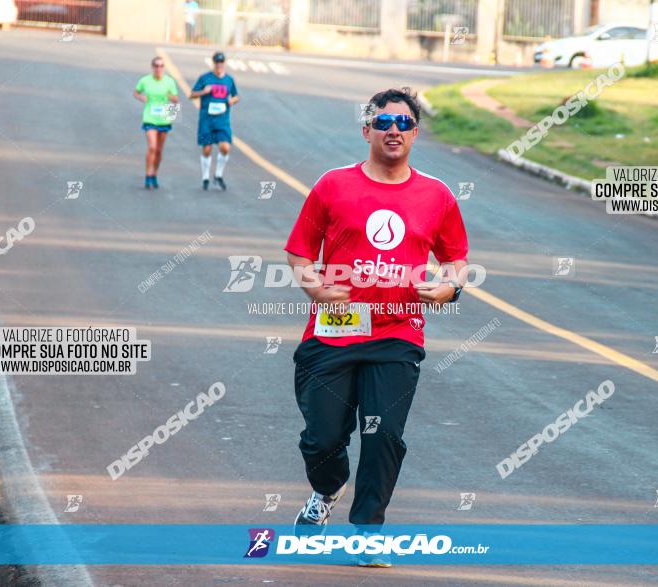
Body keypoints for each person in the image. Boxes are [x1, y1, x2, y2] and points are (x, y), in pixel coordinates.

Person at [284, 88, 469, 567]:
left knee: (383, 433)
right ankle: (326, 492)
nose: (394, 131)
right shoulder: (333, 185)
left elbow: (456, 260)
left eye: (404, 124)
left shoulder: (437, 195)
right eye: (383, 122)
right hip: (336, 327)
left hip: (397, 332)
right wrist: (317, 289)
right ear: (366, 130)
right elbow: (299, 251)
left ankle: (367, 533)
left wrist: (450, 289)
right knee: (322, 439)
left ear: (415, 134)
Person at [189, 51, 239, 191]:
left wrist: (232, 100)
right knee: (207, 148)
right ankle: (205, 177)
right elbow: (192, 94)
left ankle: (218, 175)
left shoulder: (229, 80)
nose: (219, 65)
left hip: (222, 121)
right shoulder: (205, 78)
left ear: (224, 64)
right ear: (213, 63)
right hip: (206, 120)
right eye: (217, 63)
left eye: (221, 63)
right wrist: (203, 92)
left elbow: (236, 96)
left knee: (225, 147)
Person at [134, 56, 180, 190]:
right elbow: (136, 92)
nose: (158, 68)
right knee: (152, 147)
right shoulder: (145, 80)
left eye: (161, 66)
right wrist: (141, 97)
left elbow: (176, 99)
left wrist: (171, 98)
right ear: (152, 67)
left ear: (163, 68)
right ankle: (148, 174)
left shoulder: (169, 81)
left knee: (159, 150)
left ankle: (155, 174)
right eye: (156, 65)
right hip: (150, 117)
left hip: (164, 117)